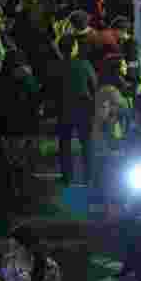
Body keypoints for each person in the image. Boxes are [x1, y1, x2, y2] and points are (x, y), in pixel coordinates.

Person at [56, 33, 96, 186]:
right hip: (83, 108)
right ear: (74, 47)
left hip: (63, 108)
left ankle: (67, 177)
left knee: (64, 144)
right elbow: (94, 85)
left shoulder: (55, 66)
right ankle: (89, 177)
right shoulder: (84, 64)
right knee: (86, 143)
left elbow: (51, 89)